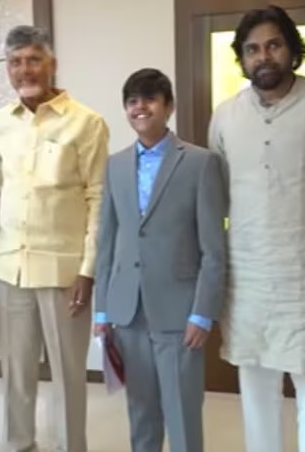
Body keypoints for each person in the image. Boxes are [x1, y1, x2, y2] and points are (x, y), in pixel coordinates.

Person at [208, 5, 305, 452]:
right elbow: (218, 196)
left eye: (273, 45)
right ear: (242, 59)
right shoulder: (225, 115)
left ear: (292, 49)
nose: (264, 56)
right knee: (256, 390)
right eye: (252, 49)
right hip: (249, 277)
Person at [0, 25, 109, 452]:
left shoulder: (87, 123)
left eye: (34, 59)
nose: (25, 70)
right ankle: (18, 445)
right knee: (15, 374)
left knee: (69, 376)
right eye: (15, 62)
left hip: (64, 273)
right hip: (9, 268)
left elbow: (98, 199)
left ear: (52, 64)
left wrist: (88, 270)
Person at [94, 68, 227, 452]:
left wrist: (203, 313)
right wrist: (103, 311)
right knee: (141, 414)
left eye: (150, 99)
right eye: (132, 101)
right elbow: (107, 242)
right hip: (128, 310)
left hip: (179, 313)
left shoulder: (200, 163)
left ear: (169, 107)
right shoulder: (115, 165)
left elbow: (214, 248)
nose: (141, 107)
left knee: (182, 413)